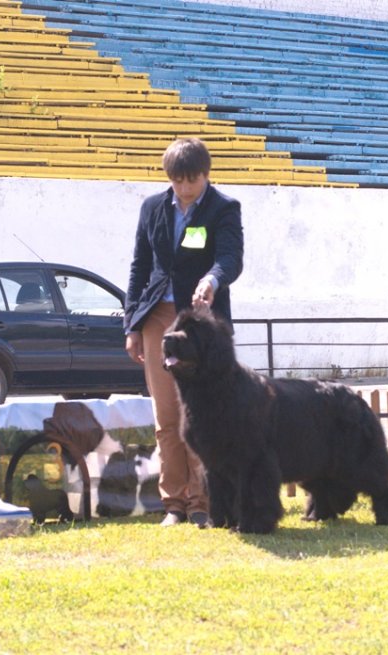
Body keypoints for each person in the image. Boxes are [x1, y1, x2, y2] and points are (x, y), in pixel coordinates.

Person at [124, 137, 244, 528]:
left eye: (191, 180)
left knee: (206, 415)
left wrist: (212, 279)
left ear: (205, 175)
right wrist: (132, 325)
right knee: (167, 416)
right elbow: (140, 267)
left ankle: (204, 503)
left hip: (200, 325)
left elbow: (230, 259)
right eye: (177, 181)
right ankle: (174, 504)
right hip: (158, 320)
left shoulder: (224, 209)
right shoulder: (151, 208)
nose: (184, 189)